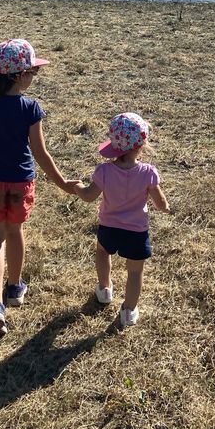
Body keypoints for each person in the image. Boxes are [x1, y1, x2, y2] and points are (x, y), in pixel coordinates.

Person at [0, 38, 70, 337]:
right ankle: (15, 287)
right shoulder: (30, 108)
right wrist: (63, 183)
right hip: (20, 182)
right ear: (19, 75)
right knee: (15, 232)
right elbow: (40, 153)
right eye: (33, 72)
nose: (34, 76)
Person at [68, 112, 170, 327]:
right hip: (137, 232)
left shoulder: (104, 171)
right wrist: (165, 207)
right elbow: (160, 201)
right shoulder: (148, 173)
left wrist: (77, 187)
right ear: (142, 145)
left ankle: (105, 289)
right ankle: (129, 310)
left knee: (102, 252)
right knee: (135, 271)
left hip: (109, 228)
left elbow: (88, 196)